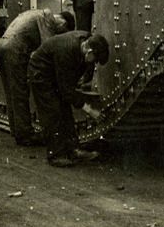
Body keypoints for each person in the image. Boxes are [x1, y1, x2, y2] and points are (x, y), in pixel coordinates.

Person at [28, 31, 110, 167]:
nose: (94, 64)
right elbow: (66, 90)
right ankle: (55, 155)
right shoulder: (66, 52)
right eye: (95, 60)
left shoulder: (84, 43)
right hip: (41, 74)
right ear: (89, 52)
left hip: (54, 72)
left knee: (65, 111)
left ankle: (74, 150)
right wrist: (89, 110)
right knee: (53, 112)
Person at [0, 8, 75, 146]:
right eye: (62, 32)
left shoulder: (34, 13)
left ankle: (17, 130)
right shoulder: (48, 18)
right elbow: (49, 48)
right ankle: (25, 135)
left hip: (2, 46)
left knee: (12, 92)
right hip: (15, 49)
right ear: (63, 24)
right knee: (20, 92)